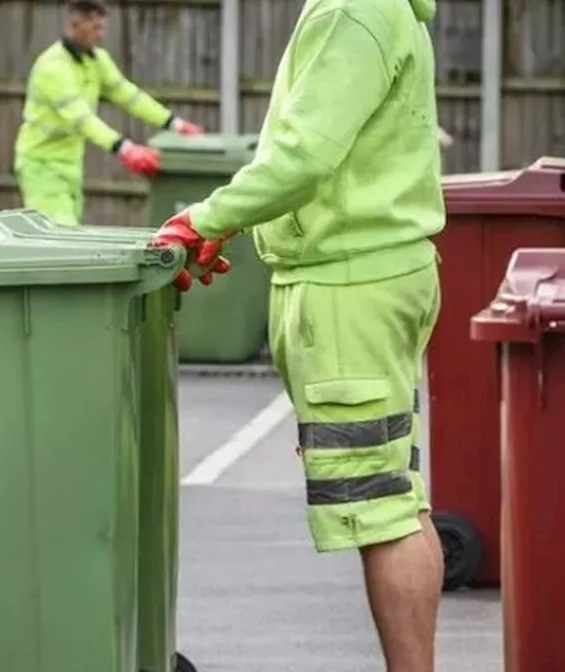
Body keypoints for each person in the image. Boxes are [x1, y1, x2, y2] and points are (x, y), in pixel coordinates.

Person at [152, 0, 446, 670]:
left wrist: (202, 218)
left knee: (380, 511)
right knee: (400, 497)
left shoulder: (352, 8)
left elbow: (304, 156)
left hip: (349, 287)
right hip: (377, 271)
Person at [13, 0, 204, 227]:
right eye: (96, 28)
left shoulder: (96, 60)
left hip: (71, 164)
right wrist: (125, 149)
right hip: (41, 165)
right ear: (76, 24)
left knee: (66, 233)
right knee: (59, 236)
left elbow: (128, 95)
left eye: (103, 27)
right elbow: (81, 119)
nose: (101, 35)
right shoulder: (52, 68)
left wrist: (174, 123)